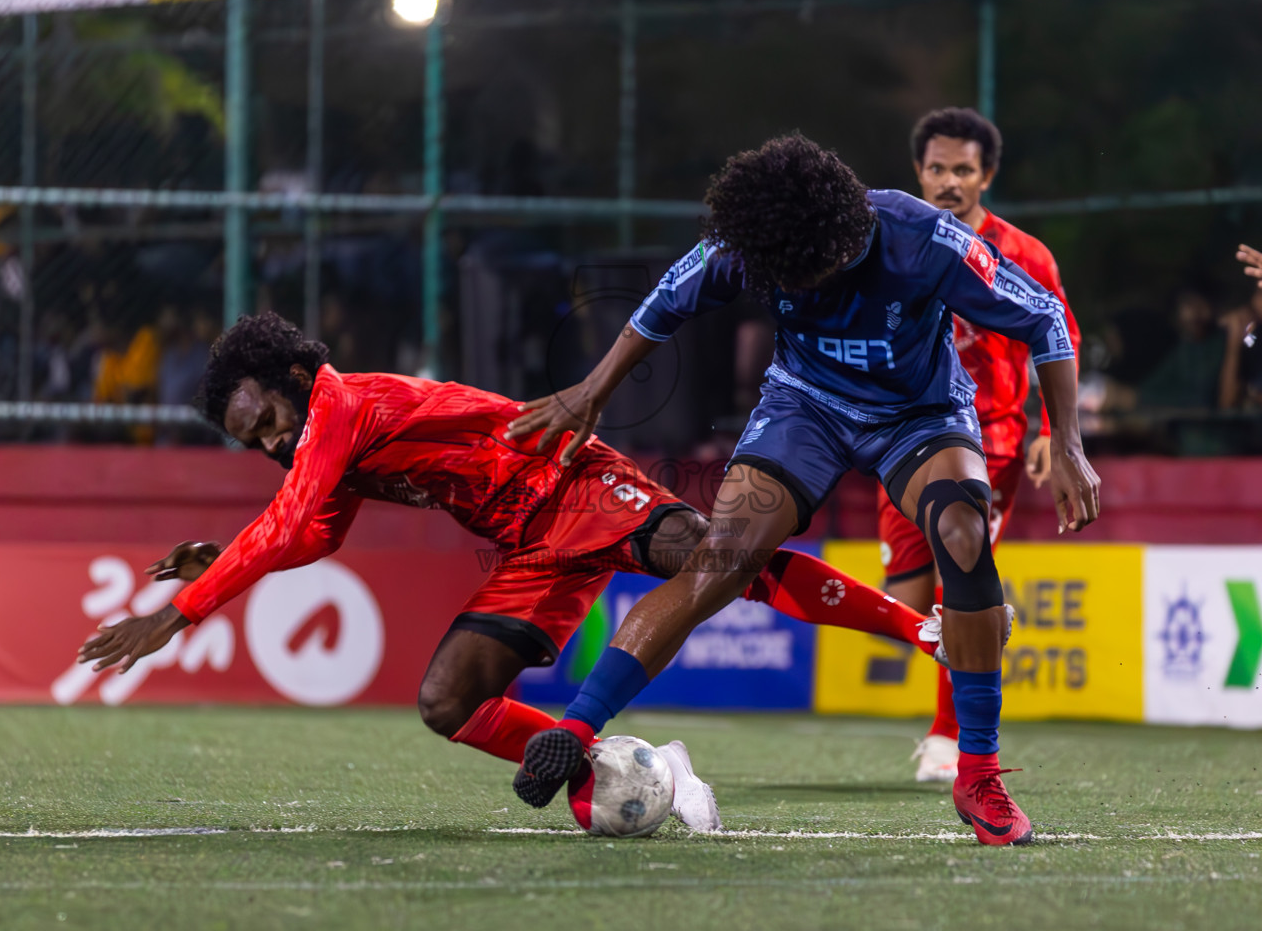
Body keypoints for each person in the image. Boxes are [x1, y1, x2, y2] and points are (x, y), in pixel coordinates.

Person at [75, 312, 952, 834]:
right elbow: (314, 533)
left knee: (724, 560)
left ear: (301, 378)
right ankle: (633, 770)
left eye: (267, 418)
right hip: (527, 546)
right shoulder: (321, 442)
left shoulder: (344, 403)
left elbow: (296, 519)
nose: (269, 443)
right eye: (252, 440)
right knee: (448, 701)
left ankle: (924, 630)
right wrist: (226, 558)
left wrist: (178, 613)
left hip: (569, 479)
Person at [505, 133, 1100, 846]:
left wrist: (1065, 442)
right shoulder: (748, 248)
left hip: (920, 415)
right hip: (803, 409)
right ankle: (575, 728)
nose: (806, 290)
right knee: (719, 562)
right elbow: (663, 303)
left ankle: (977, 775)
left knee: (964, 535)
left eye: (817, 274)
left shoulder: (922, 239)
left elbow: (1043, 315)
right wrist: (592, 392)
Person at [875, 107, 1083, 783]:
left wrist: (1054, 431)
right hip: (903, 433)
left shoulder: (1024, 254)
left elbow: (1062, 337)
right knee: (904, 603)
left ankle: (950, 737)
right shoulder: (894, 242)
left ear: (986, 176)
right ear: (919, 172)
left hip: (987, 440)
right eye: (936, 168)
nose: (948, 182)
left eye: (963, 170)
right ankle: (985, 628)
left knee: (958, 576)